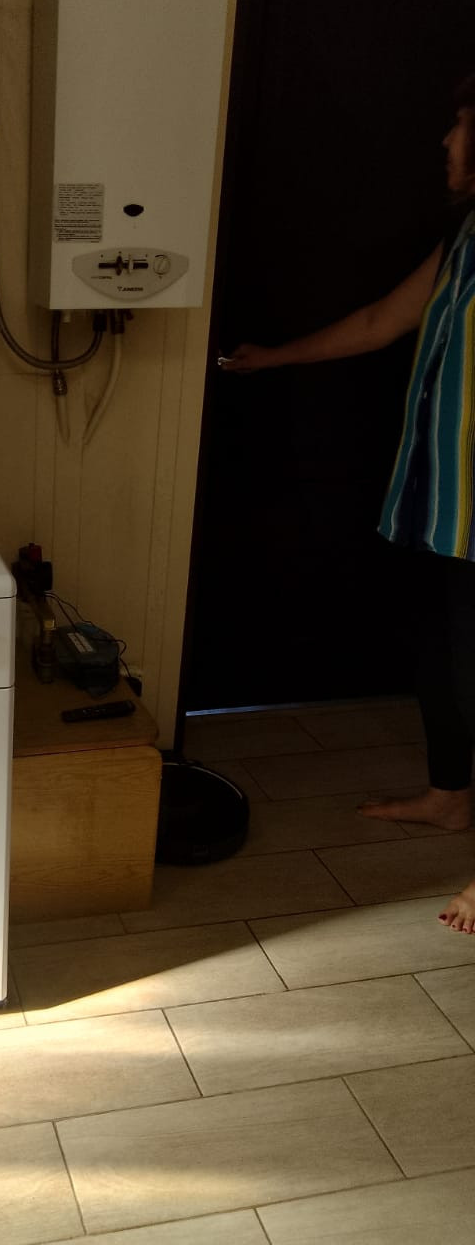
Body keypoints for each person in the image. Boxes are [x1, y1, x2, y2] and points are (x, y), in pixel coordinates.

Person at [221, 75, 475, 935]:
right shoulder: (465, 236)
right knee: (438, 656)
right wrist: (274, 358)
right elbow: (379, 321)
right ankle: (450, 798)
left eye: (462, 124)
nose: (446, 140)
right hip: (441, 503)